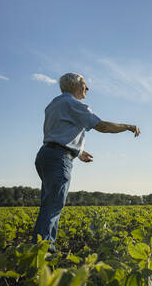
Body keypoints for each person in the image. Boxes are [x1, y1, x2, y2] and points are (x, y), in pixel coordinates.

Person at [32, 72, 140, 252]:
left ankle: (38, 248)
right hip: (58, 159)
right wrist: (128, 126)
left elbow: (59, 132)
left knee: (48, 205)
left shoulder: (54, 104)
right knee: (53, 206)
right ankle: (44, 251)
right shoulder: (73, 104)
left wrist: (78, 151)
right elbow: (102, 126)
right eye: (85, 84)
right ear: (75, 86)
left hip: (46, 155)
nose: (87, 89)